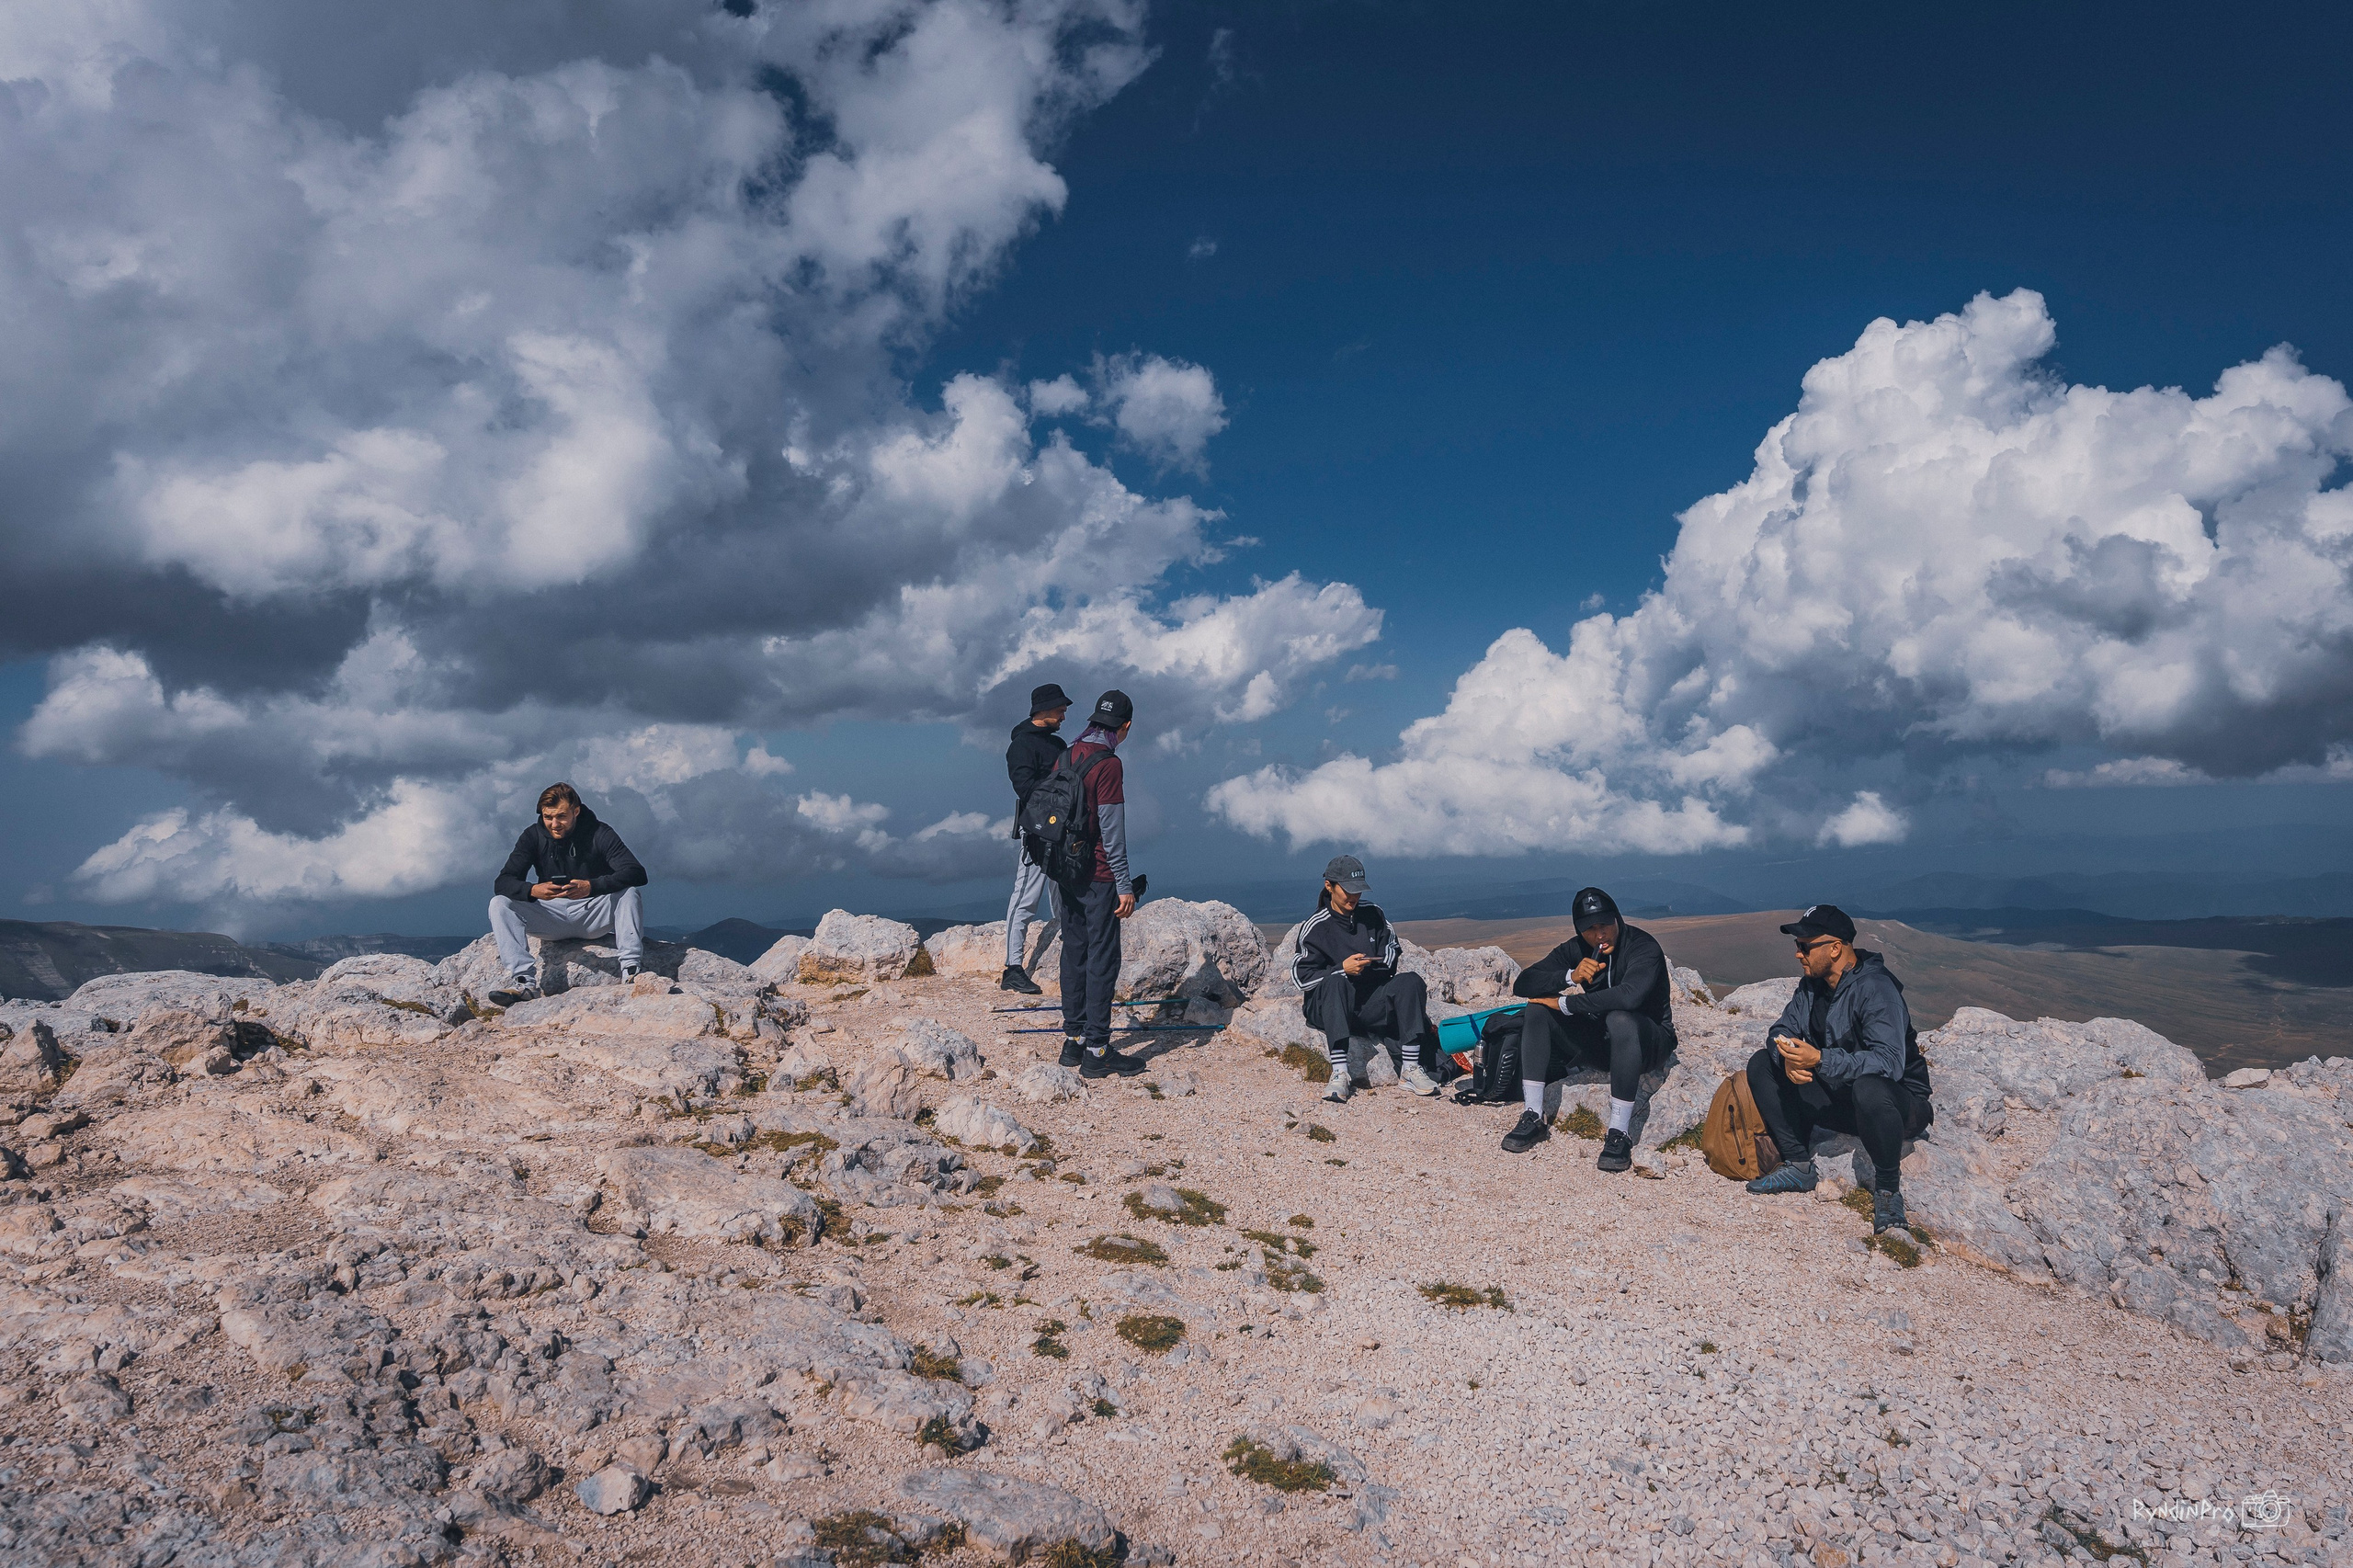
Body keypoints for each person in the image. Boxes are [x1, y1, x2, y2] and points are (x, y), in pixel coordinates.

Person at [1742, 904, 1932, 1233]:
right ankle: (1799, 1165)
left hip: (1896, 1107)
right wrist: (1787, 1057)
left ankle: (1888, 1191)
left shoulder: (1877, 989)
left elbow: (1889, 1062)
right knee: (1762, 1063)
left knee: (1869, 1088)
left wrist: (1820, 1060)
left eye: (1805, 946)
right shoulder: (1811, 987)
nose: (1798, 954)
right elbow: (1780, 1030)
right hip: (1841, 1097)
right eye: (1798, 946)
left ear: (1834, 948)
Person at [1499, 887, 1677, 1167]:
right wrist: (1570, 977)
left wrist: (1568, 1004)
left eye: (1605, 924)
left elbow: (1629, 997)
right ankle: (1534, 1115)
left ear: (1617, 918)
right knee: (1538, 1009)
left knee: (1620, 1019)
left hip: (1649, 1043)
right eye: (1590, 929)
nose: (1600, 934)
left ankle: (1619, 1133)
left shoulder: (1643, 947)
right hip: (1604, 1042)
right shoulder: (1578, 949)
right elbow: (1524, 984)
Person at [1290, 855, 1440, 1103]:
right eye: (1348, 890)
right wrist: (1342, 969)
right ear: (1329, 886)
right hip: (1328, 1006)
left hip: (1368, 1003)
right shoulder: (1316, 926)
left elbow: (1391, 948)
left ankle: (1410, 1069)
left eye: (1358, 890)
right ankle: (1340, 1072)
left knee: (1410, 981)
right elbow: (1301, 977)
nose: (1354, 897)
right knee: (1336, 981)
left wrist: (1374, 964)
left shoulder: (1373, 914)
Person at [1053, 690, 1148, 1079]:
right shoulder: (1109, 764)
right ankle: (1097, 1050)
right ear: (1125, 726)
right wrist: (1124, 884)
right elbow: (1112, 832)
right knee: (1102, 960)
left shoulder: (1067, 755)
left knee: (1074, 952)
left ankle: (1073, 1042)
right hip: (1099, 876)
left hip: (1066, 872)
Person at [487, 783, 649, 1004]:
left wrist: (591, 887)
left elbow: (636, 873)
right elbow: (503, 882)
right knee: (499, 903)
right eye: (548, 817)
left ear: (576, 811)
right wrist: (533, 890)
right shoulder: (532, 836)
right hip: (550, 915)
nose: (554, 824)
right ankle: (524, 983)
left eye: (561, 816)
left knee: (629, 894)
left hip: (592, 912)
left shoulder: (599, 833)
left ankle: (631, 973)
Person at [1000, 682, 1073, 994]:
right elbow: (1025, 788)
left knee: (1064, 892)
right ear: (1043, 710)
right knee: (1025, 897)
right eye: (1060, 710)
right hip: (1037, 831)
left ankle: (1069, 949)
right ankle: (1012, 968)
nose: (1064, 717)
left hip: (1062, 829)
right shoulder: (1021, 746)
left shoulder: (1058, 744)